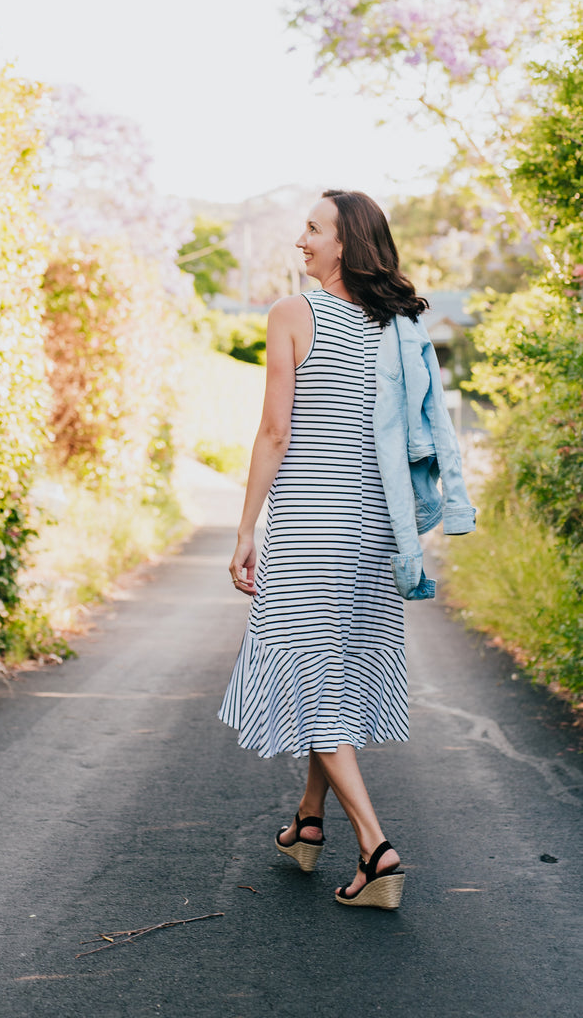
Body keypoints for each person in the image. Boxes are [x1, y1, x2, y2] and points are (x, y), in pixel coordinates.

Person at [218, 189, 474, 910]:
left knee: (306, 672)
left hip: (309, 527)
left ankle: (376, 848)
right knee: (331, 670)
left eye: (313, 229)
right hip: (373, 533)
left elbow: (275, 433)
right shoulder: (400, 328)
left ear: (345, 245)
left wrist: (246, 529)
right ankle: (308, 821)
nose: (300, 239)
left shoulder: (292, 315)